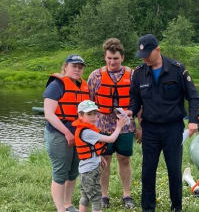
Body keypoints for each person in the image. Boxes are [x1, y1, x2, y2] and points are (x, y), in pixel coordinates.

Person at [128, 34, 199, 212]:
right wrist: (130, 111)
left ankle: (176, 207)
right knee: (148, 171)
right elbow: (135, 100)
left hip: (173, 128)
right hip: (150, 129)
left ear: (158, 50)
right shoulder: (138, 74)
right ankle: (148, 208)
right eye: (142, 56)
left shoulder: (177, 69)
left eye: (148, 55)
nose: (144, 59)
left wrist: (192, 121)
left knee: (174, 170)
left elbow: (193, 97)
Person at [87, 38, 137, 209]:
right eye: (109, 58)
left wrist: (140, 126)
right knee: (104, 160)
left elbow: (138, 102)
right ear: (105, 57)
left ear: (122, 57)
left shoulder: (132, 75)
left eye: (115, 58)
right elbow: (89, 103)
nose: (112, 62)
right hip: (102, 126)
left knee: (124, 159)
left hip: (125, 126)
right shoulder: (95, 76)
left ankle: (127, 194)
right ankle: (104, 195)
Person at [43, 54, 90, 212]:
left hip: (78, 135)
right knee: (60, 172)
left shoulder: (84, 86)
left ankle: (68, 204)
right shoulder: (57, 84)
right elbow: (49, 114)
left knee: (73, 171)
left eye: (80, 67)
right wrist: (67, 133)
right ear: (65, 67)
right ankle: (60, 209)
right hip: (58, 134)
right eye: (74, 66)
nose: (77, 69)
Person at [72, 100, 128, 212]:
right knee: (96, 197)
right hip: (90, 171)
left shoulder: (86, 129)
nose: (93, 117)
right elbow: (111, 139)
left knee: (85, 196)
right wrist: (119, 127)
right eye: (89, 114)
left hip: (86, 169)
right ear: (80, 115)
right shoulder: (87, 132)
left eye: (95, 114)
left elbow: (92, 148)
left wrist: (100, 157)